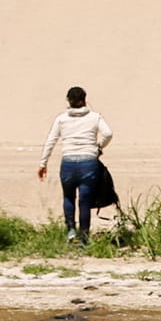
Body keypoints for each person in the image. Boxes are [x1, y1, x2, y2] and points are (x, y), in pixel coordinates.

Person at [37, 86, 114, 243]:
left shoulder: (61, 119)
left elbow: (51, 141)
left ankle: (71, 230)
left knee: (68, 197)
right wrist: (99, 147)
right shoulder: (95, 117)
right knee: (84, 201)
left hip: (68, 164)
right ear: (84, 99)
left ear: (68, 101)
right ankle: (84, 237)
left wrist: (43, 163)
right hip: (88, 163)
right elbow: (108, 133)